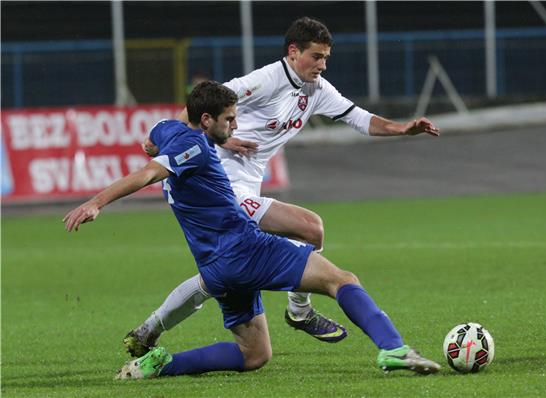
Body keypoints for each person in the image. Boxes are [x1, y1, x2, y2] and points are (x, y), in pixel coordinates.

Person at [63, 81, 440, 379]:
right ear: (206, 119)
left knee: (254, 355)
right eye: (229, 119)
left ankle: (159, 364)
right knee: (341, 280)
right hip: (246, 250)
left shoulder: (169, 131)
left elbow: (150, 144)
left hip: (215, 265)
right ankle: (392, 349)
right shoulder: (193, 148)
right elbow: (149, 172)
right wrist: (96, 202)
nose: (236, 125)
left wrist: (215, 140)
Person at [127, 16, 441, 355]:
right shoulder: (264, 81)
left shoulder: (317, 90)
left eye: (326, 58)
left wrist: (403, 129)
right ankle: (300, 311)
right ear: (294, 52)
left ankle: (151, 330)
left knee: (228, 278)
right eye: (316, 56)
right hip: (223, 189)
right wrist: (224, 141)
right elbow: (194, 113)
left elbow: (359, 118)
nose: (322, 65)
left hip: (248, 188)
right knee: (306, 228)